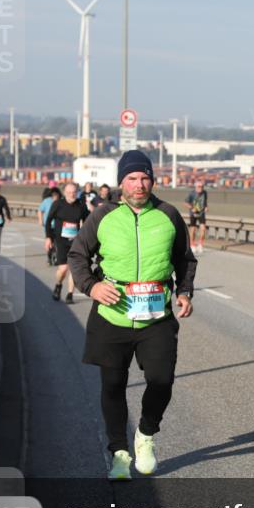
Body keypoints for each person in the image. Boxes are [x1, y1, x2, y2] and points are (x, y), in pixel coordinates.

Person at [67, 150, 197, 481]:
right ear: (121, 182)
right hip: (113, 315)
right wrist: (92, 287)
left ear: (153, 180)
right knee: (112, 384)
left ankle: (146, 434)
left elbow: (185, 259)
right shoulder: (103, 215)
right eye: (132, 179)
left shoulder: (168, 214)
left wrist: (184, 291)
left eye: (144, 178)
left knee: (161, 380)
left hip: (156, 317)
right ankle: (119, 453)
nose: (139, 185)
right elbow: (78, 255)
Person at [45, 183, 88, 303]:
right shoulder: (58, 204)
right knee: (63, 269)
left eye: (74, 192)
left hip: (75, 241)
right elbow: (48, 221)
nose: (72, 194)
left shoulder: (81, 205)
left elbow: (87, 221)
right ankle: (58, 285)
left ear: (77, 192)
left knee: (74, 268)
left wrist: (86, 238)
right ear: (64, 193)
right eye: (69, 192)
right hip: (61, 241)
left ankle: (70, 294)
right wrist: (48, 237)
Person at [38, 186, 61, 266]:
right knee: (49, 243)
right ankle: (49, 258)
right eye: (53, 195)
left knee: (57, 243)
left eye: (56, 195)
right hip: (48, 226)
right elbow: (40, 210)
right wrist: (40, 220)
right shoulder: (46, 201)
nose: (55, 197)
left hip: (58, 226)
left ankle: (56, 257)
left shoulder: (61, 202)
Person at [186, 180, 209, 253]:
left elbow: (205, 202)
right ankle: (192, 244)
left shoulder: (204, 193)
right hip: (193, 214)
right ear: (196, 187)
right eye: (199, 186)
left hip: (201, 213)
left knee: (203, 229)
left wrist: (206, 207)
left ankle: (200, 244)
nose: (201, 188)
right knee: (193, 229)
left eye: (202, 187)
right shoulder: (191, 194)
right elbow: (186, 203)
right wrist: (192, 208)